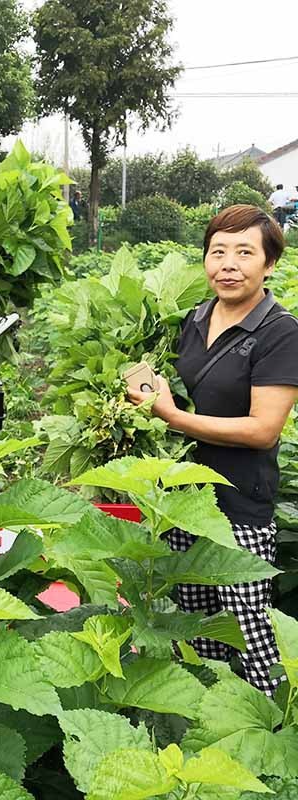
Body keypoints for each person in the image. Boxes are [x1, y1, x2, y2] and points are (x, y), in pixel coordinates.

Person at [129, 204, 298, 695]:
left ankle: (269, 722)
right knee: (196, 630)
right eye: (217, 251)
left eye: (245, 253)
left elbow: (263, 430)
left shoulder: (281, 333)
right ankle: (205, 718)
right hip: (180, 502)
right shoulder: (193, 320)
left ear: (269, 264)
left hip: (238, 508)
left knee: (250, 633)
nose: (228, 265)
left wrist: (173, 417)